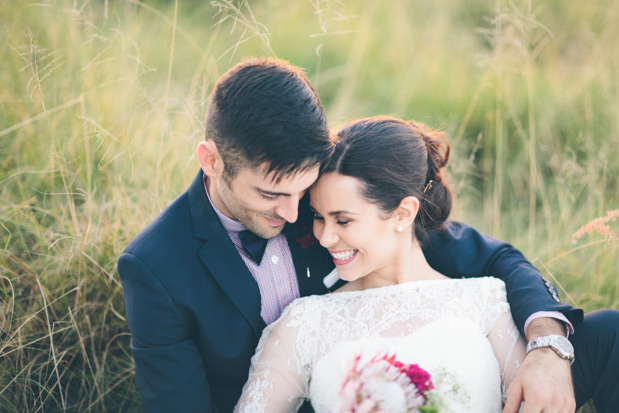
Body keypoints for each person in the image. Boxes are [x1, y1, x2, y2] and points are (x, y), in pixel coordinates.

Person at [118, 57, 610, 413]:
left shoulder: (334, 200)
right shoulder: (156, 267)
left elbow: (497, 259)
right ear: (211, 160)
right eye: (272, 195)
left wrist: (548, 344)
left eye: (306, 197)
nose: (294, 217)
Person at [234, 116, 619, 412]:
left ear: (403, 214)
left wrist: (549, 347)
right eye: (319, 217)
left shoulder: (484, 301)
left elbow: (534, 397)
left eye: (343, 220)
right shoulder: (305, 322)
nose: (324, 237)